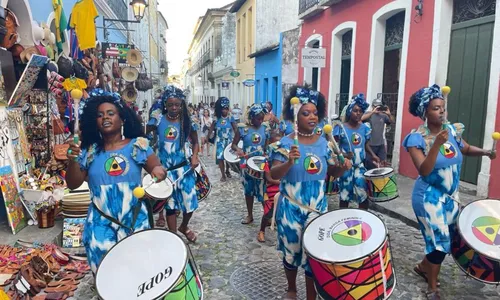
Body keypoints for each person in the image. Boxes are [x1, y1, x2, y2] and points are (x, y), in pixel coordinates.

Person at [403, 84, 496, 300]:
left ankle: (422, 267)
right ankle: (433, 287)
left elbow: (464, 148)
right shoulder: (416, 139)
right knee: (440, 241)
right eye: (436, 108)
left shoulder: (451, 131)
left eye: (442, 107)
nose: (441, 111)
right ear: (424, 112)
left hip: (450, 197)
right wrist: (436, 144)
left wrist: (485, 152)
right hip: (428, 197)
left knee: (450, 238)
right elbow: (425, 171)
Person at [66, 89, 166, 273]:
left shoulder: (138, 145)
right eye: (100, 115)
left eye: (111, 113)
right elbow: (72, 184)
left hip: (134, 219)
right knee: (105, 271)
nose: (105, 117)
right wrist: (72, 160)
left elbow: (157, 169)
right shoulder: (89, 152)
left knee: (139, 270)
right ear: (94, 122)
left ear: (122, 119)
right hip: (100, 223)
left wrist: (159, 172)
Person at [270, 86, 351, 300]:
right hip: (291, 208)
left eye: (315, 112)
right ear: (295, 115)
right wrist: (289, 161)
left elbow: (333, 171)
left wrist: (344, 167)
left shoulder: (325, 143)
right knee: (291, 252)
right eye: (306, 113)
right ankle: (291, 287)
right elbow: (272, 175)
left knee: (313, 256)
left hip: (317, 208)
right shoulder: (285, 143)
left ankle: (310, 296)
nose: (312, 117)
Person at [147, 85, 200, 242]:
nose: (174, 108)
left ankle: (184, 226)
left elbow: (196, 142)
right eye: (170, 105)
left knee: (190, 203)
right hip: (165, 172)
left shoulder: (188, 121)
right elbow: (144, 136)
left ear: (181, 104)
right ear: (165, 104)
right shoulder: (157, 119)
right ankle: (174, 238)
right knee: (170, 206)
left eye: (177, 104)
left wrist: (195, 157)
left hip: (184, 168)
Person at [334, 94, 379, 209]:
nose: (358, 113)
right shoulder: (340, 128)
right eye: (355, 111)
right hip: (346, 167)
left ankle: (363, 219)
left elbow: (366, 145)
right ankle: (343, 217)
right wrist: (344, 155)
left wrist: (373, 156)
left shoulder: (365, 128)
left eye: (360, 111)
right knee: (345, 195)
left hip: (360, 166)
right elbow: (333, 148)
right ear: (349, 111)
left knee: (362, 193)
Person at [232, 103, 270, 224]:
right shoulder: (243, 129)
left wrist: (267, 154)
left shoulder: (265, 128)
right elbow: (234, 144)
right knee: (248, 190)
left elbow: (268, 146)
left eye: (261, 118)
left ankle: (267, 215)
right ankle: (250, 215)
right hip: (247, 163)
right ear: (251, 117)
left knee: (263, 189)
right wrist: (239, 150)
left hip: (261, 163)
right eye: (257, 118)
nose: (260, 120)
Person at [257, 130, 282, 243]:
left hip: (283, 190)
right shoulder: (266, 162)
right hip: (272, 191)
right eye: (275, 143)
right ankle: (261, 231)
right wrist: (282, 183)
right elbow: (269, 178)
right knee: (268, 212)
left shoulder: (284, 160)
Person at [208, 97, 238, 182]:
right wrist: (207, 138)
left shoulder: (230, 118)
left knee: (228, 157)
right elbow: (211, 128)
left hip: (229, 141)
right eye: (223, 109)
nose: (224, 111)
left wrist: (238, 139)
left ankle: (227, 170)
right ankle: (223, 175)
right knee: (220, 157)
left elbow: (235, 129)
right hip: (219, 141)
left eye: (226, 109)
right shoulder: (216, 118)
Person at [361, 98, 393, 169]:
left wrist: (389, 114)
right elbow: (361, 119)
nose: (378, 109)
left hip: (380, 144)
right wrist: (373, 112)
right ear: (373, 106)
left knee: (382, 164)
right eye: (376, 107)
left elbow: (390, 122)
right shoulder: (368, 114)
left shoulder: (383, 116)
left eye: (379, 107)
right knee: (370, 165)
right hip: (370, 145)